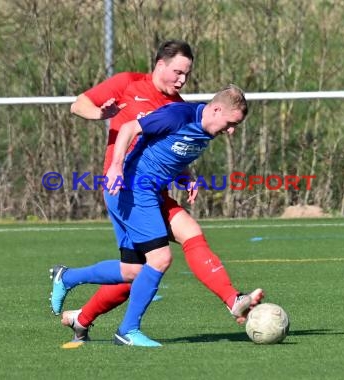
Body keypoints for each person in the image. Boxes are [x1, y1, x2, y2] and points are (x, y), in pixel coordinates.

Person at [51, 40, 262, 346]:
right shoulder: (132, 86)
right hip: (127, 186)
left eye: (187, 74)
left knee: (141, 268)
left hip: (151, 190)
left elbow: (174, 149)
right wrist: (104, 126)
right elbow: (90, 110)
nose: (182, 79)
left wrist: (186, 175)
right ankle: (126, 331)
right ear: (161, 64)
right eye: (178, 72)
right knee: (157, 261)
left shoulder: (183, 108)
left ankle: (233, 300)